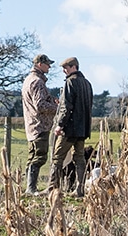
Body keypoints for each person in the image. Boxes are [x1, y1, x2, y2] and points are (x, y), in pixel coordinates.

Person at [49, 57, 93, 195]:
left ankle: (52, 189)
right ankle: (79, 190)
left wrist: (60, 125)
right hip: (83, 128)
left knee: (57, 158)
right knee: (79, 158)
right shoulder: (87, 83)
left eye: (66, 67)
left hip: (69, 129)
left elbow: (66, 107)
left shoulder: (70, 82)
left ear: (74, 67)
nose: (64, 70)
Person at [21, 54, 59, 195]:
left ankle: (29, 187)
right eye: (47, 64)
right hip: (39, 125)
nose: (49, 66)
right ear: (39, 64)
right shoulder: (37, 82)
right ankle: (31, 189)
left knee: (32, 156)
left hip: (32, 125)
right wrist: (58, 109)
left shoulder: (28, 80)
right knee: (39, 156)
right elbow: (40, 105)